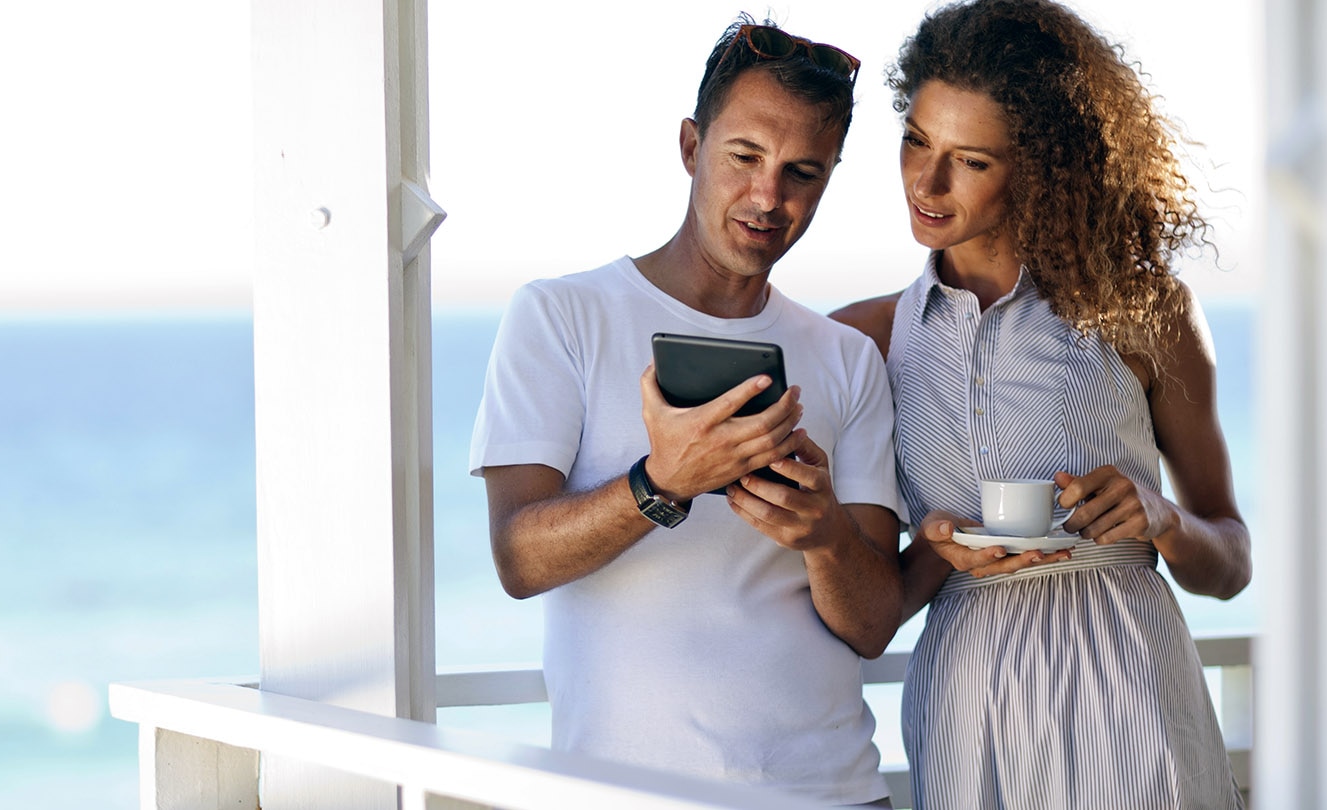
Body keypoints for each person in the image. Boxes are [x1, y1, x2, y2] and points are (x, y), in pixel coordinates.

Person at [469, 16, 906, 807]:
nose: (769, 196)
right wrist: (660, 484)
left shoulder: (847, 358)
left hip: (832, 792)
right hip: (629, 795)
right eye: (744, 156)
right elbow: (517, 560)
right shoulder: (561, 316)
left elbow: (873, 626)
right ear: (689, 147)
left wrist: (825, 534)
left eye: (803, 171)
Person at [829, 1, 1251, 807]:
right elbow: (852, 577)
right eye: (916, 140)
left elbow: (1231, 561)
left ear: (1040, 166)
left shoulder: (1143, 314)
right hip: (967, 700)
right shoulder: (864, 339)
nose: (927, 181)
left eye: (971, 160)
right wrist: (932, 549)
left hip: (1132, 687)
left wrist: (1162, 519)